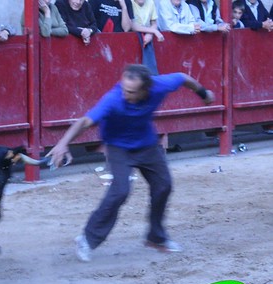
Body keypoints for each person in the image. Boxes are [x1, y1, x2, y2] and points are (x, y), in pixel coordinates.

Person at [46, 64, 215, 262]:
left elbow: (184, 77)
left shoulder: (159, 85)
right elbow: (84, 121)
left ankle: (156, 237)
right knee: (120, 191)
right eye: (124, 89)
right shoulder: (113, 99)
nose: (126, 94)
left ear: (146, 89)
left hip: (147, 144)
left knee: (164, 185)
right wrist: (63, 143)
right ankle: (87, 238)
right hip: (119, 148)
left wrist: (203, 93)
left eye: (132, 92)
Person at [130, 0, 164, 75]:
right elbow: (133, 26)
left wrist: (150, 34)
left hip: (147, 35)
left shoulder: (150, 2)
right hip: (132, 37)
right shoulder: (130, 2)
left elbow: (154, 23)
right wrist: (154, 32)